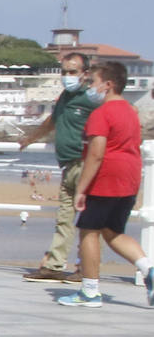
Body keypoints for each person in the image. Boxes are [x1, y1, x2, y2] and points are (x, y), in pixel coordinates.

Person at [58, 62, 153, 308]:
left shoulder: (101, 113)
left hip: (107, 177)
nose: (90, 87)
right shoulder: (131, 111)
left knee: (89, 231)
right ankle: (149, 270)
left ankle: (89, 291)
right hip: (130, 176)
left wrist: (81, 189)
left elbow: (96, 154)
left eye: (93, 82)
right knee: (113, 231)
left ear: (108, 85)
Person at [19, 52, 97, 283]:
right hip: (68, 166)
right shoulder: (64, 96)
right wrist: (30, 138)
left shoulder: (91, 98)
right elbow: (52, 121)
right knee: (64, 217)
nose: (67, 76)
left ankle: (87, 269)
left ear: (85, 74)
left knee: (89, 221)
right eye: (64, 72)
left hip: (84, 164)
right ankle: (54, 265)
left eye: (72, 72)